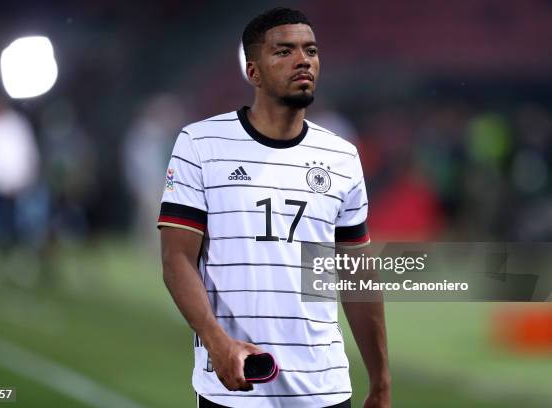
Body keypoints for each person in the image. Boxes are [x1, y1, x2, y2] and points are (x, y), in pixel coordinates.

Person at [158, 8, 390, 408]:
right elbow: (177, 259)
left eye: (311, 50)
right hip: (236, 386)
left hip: (325, 388)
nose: (303, 60)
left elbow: (357, 278)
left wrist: (381, 381)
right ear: (254, 72)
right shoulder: (201, 145)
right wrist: (217, 343)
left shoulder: (342, 157)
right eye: (284, 51)